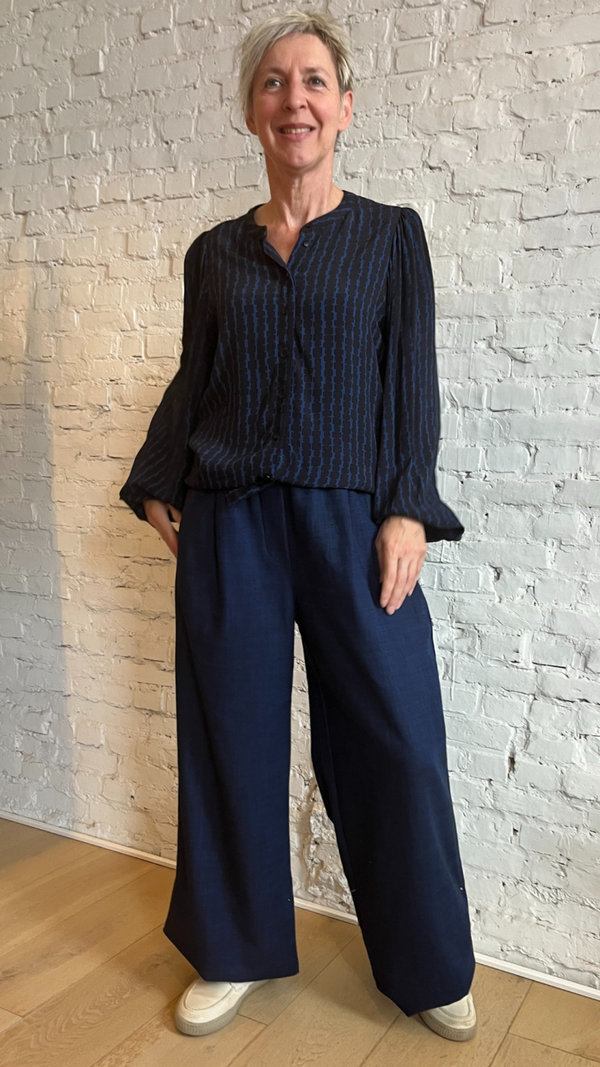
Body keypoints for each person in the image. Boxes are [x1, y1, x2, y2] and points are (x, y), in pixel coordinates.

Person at [119, 8, 478, 1045]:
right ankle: (231, 947)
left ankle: (429, 961)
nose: (295, 100)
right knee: (228, 734)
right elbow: (197, 374)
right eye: (274, 83)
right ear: (252, 113)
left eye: (314, 81)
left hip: (351, 519)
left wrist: (406, 505)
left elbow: (411, 385)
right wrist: (158, 477)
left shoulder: (389, 236)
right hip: (229, 516)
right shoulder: (214, 254)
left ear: (345, 106)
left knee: (395, 737)